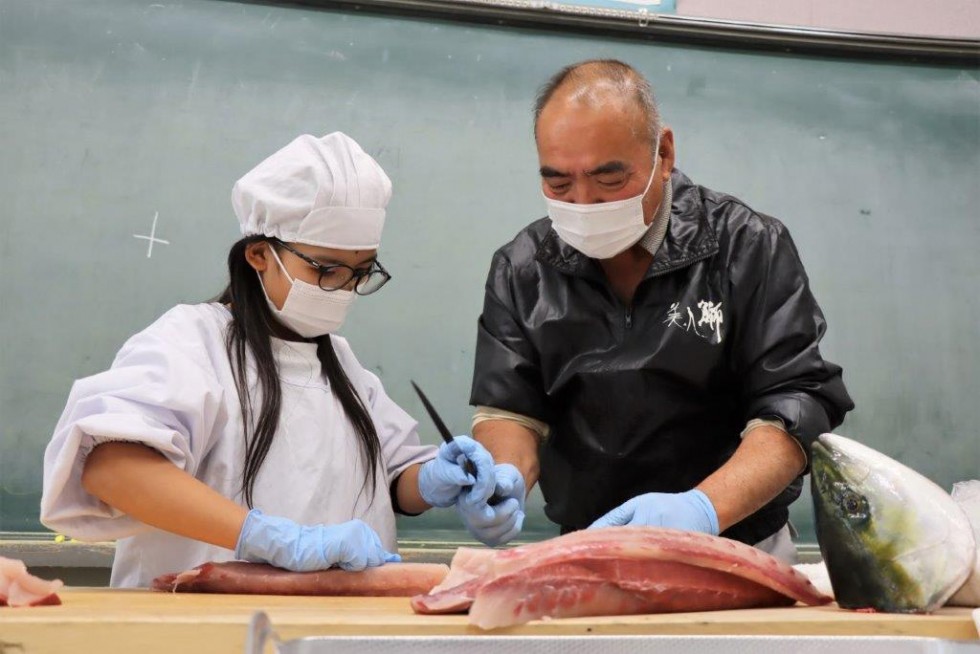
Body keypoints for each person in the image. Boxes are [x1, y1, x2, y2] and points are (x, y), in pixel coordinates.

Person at [40, 132, 516, 587]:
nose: (343, 289)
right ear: (259, 255)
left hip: (327, 631)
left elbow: (392, 481)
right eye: (325, 269)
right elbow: (112, 469)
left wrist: (436, 481)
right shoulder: (189, 341)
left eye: (361, 272)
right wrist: (270, 538)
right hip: (199, 629)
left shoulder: (343, 366)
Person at [468, 60, 855, 562]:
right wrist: (505, 477)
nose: (584, 203)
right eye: (559, 184)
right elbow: (510, 409)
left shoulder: (746, 245)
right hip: (588, 546)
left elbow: (795, 404)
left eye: (609, 179)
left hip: (737, 543)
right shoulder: (522, 268)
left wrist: (703, 508)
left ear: (663, 154)